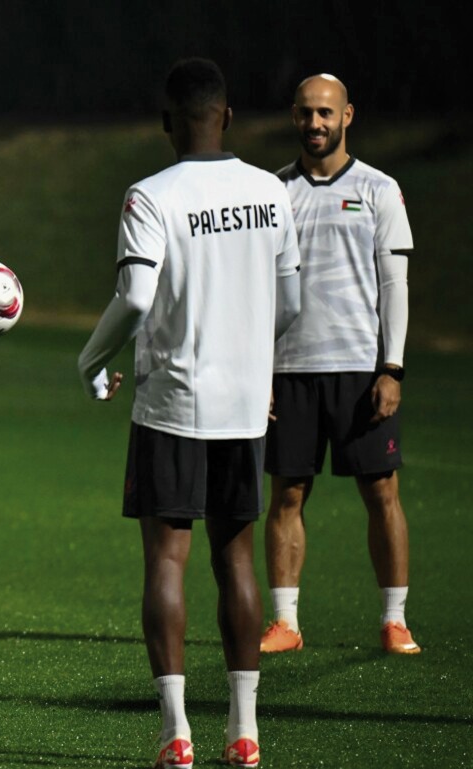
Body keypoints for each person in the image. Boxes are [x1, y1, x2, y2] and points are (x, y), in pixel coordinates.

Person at [77, 59, 301, 769]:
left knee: (166, 560)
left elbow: (137, 300)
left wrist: (90, 359)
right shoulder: (271, 192)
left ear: (166, 121)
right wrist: (255, 366)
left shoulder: (150, 195)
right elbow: (290, 304)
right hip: (243, 406)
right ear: (228, 116)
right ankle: (244, 731)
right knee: (236, 559)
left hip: (172, 402)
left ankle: (176, 733)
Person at [259, 74, 419, 656]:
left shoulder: (379, 188)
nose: (315, 124)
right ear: (294, 116)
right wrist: (260, 369)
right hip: (289, 368)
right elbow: (258, 288)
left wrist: (392, 368)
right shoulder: (272, 192)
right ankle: (285, 623)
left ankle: (394, 619)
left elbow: (394, 283)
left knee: (381, 493)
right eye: (305, 114)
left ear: (348, 115)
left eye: (326, 113)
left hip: (359, 368)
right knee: (287, 494)